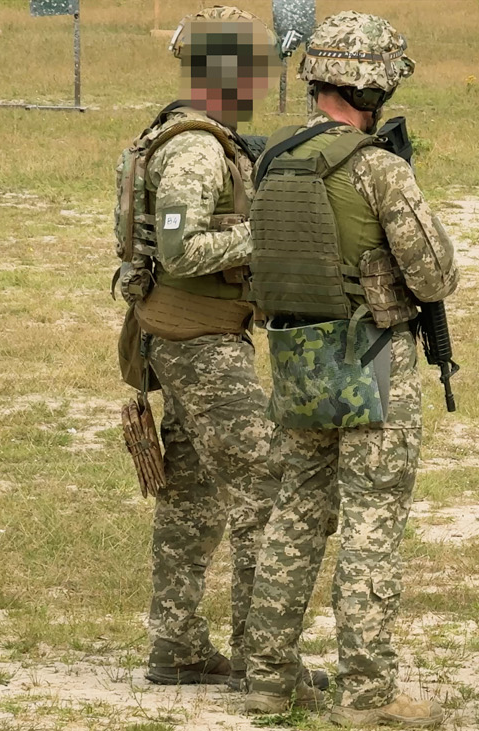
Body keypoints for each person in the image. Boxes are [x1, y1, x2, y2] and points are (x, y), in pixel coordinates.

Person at [239, 11, 458, 728]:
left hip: (296, 356)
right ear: (373, 86)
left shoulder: (272, 160)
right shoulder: (378, 168)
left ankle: (268, 677)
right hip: (371, 359)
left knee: (295, 511)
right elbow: (434, 274)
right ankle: (368, 693)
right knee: (371, 519)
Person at [112, 5, 288, 689]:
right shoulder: (196, 148)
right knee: (265, 480)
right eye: (255, 69)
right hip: (199, 340)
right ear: (228, 72)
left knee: (191, 495)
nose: (261, 82)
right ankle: (259, 655)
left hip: (186, 334)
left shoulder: (187, 135)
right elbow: (181, 250)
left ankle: (178, 645)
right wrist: (265, 231)